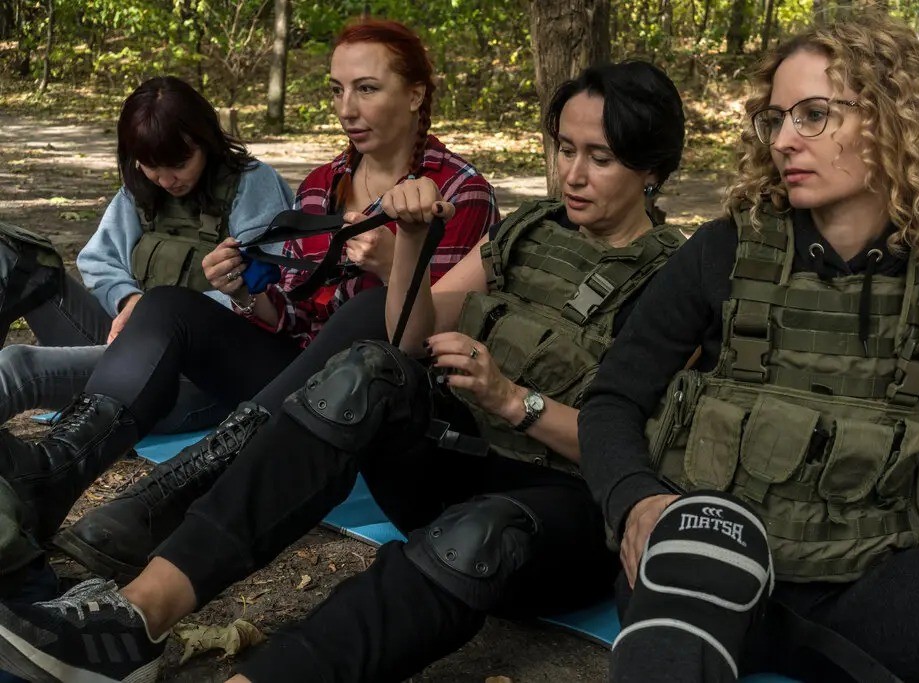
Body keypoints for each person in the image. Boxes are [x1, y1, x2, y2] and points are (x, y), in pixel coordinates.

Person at [0, 59, 687, 683]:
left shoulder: (677, 279)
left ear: (652, 166)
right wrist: (412, 244)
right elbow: (411, 332)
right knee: (366, 366)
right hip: (459, 458)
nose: (571, 173)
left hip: (560, 511)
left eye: (599, 157)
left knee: (476, 532)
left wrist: (516, 402)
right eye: (565, 149)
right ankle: (135, 620)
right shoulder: (530, 230)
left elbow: (646, 456)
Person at [576, 11, 919, 683]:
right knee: (703, 543)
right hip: (711, 572)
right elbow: (611, 399)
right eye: (776, 118)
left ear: (891, 118)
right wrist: (637, 500)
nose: (785, 139)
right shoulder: (723, 251)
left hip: (875, 590)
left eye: (813, 114)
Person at [0, 18, 497, 556]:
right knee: (169, 305)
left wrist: (393, 267)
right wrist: (242, 291)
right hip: (289, 372)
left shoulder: (458, 193)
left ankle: (166, 497)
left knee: (372, 309)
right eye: (337, 90)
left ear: (416, 94)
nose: (347, 109)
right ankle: (57, 474)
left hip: (377, 398)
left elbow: (434, 343)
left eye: (367, 89)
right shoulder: (321, 185)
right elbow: (293, 314)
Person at [0, 76, 293, 436]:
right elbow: (97, 260)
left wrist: (154, 320)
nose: (166, 179)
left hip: (194, 379)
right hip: (123, 347)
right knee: (12, 260)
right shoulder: (141, 186)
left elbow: (276, 293)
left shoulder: (252, 184)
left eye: (179, 163)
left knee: (17, 366)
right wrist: (130, 300)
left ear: (206, 141)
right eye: (151, 165)